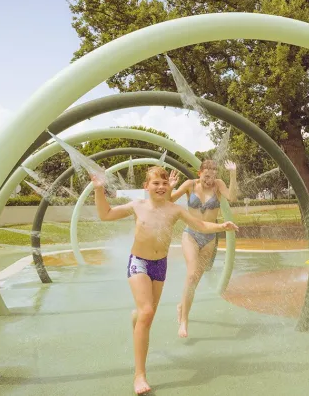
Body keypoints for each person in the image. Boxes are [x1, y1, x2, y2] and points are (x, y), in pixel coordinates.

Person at [91, 166, 238, 395]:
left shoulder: (174, 210)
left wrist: (221, 226)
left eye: (164, 184)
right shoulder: (137, 206)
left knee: (146, 314)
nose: (160, 187)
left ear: (169, 187)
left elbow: (200, 225)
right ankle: (139, 375)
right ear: (146, 186)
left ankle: (136, 315)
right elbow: (105, 214)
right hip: (139, 262)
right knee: (148, 312)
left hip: (160, 266)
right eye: (155, 183)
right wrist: (98, 190)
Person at [169, 159, 238, 338]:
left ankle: (181, 305)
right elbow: (167, 201)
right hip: (191, 234)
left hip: (210, 237)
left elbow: (232, 197)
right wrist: (170, 187)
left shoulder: (218, 185)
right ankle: (184, 321)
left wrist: (232, 174)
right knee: (191, 274)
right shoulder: (189, 185)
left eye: (214, 175)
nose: (210, 179)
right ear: (199, 173)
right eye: (207, 175)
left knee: (195, 280)